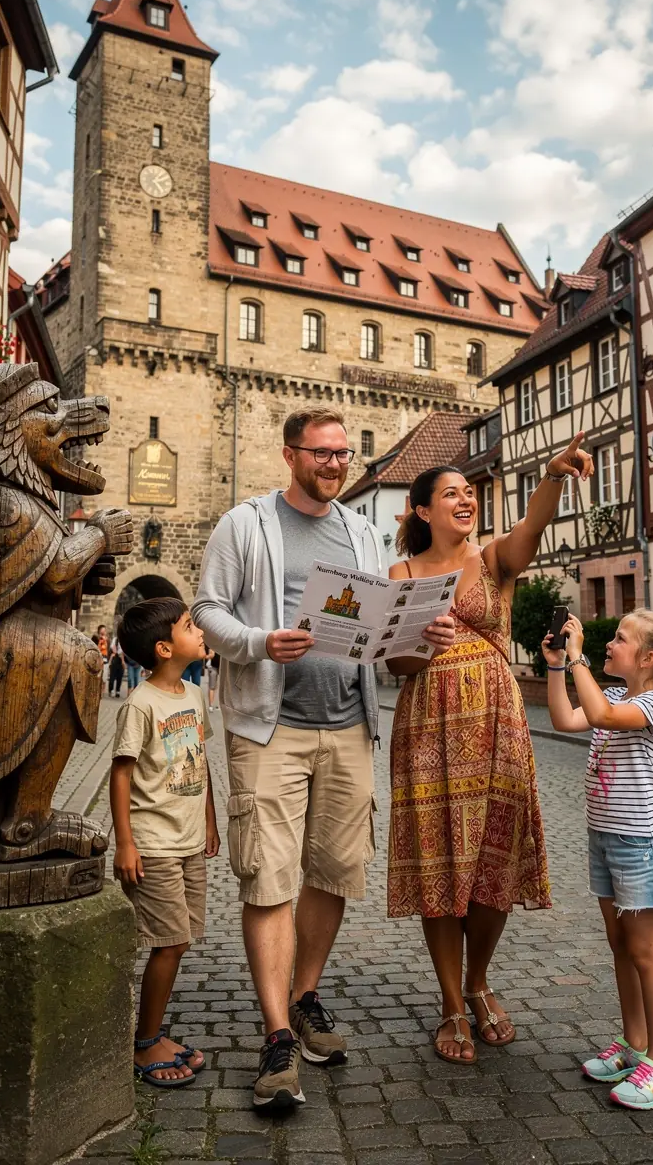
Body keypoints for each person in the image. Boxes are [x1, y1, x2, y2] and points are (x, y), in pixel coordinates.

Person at [192, 406, 453, 1110]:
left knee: (334, 871)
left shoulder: (363, 533)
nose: (335, 464)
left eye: (342, 454)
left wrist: (422, 635)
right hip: (269, 728)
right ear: (290, 455)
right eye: (322, 454)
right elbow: (207, 610)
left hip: (348, 726)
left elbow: (383, 634)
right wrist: (258, 642)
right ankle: (277, 1036)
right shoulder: (246, 524)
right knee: (268, 878)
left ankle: (305, 997)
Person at [386, 432, 593, 1066]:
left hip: (497, 722)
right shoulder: (401, 575)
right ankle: (453, 1002)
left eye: (468, 492)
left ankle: (478, 981)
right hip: (428, 724)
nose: (465, 499)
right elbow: (396, 664)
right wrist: (422, 641)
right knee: (440, 863)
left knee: (492, 863)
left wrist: (553, 475)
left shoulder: (495, 557)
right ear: (423, 510)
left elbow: (533, 525)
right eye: (451, 493)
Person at [543, 609, 653, 1109]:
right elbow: (566, 719)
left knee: (645, 952)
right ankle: (635, 1043)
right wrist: (556, 666)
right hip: (605, 837)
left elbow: (599, 717)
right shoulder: (616, 695)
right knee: (620, 945)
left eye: (620, 638)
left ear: (648, 658)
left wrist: (578, 657)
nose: (609, 643)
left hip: (642, 843)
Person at [110, 597, 220, 1089]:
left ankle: (152, 1033)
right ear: (164, 648)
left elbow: (201, 760)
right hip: (153, 843)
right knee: (168, 941)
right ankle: (145, 1042)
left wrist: (210, 821)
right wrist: (125, 843)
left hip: (189, 840)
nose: (200, 631)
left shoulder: (194, 694)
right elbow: (121, 774)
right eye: (189, 625)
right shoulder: (140, 703)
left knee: (180, 939)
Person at [93, 623, 109, 696]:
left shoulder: (107, 639)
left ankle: (102, 693)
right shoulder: (95, 638)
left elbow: (108, 649)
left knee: (104, 678)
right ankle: (96, 691)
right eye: (103, 630)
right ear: (99, 630)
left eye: (105, 630)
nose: (104, 631)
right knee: (97, 676)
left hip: (105, 660)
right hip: (98, 659)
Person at [108, 632, 125, 698]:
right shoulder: (115, 639)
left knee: (120, 676)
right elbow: (112, 647)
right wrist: (116, 651)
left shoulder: (124, 640)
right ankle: (111, 690)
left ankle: (118, 691)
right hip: (115, 657)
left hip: (121, 659)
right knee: (112, 675)